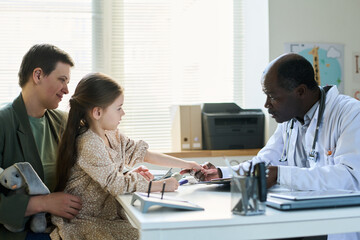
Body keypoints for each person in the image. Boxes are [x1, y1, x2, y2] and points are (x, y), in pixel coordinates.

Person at [183, 53, 360, 240]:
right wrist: (222, 173)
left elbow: (351, 177)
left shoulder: (350, 114)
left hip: (333, 222)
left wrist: (282, 174)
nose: (267, 104)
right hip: (297, 217)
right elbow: (264, 162)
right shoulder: (290, 119)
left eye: (273, 97)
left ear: (300, 91)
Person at [50, 72, 201, 240]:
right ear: (97, 112)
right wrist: (161, 185)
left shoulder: (112, 135)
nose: (123, 113)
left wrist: (187, 164)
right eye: (119, 108)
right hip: (86, 220)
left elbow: (144, 154)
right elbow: (116, 185)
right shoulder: (88, 143)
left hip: (107, 217)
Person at [0, 44, 83, 240]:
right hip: (20, 233)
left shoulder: (62, 122)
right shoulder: (3, 122)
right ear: (37, 75)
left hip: (58, 227)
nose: (67, 89)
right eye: (62, 80)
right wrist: (44, 203)